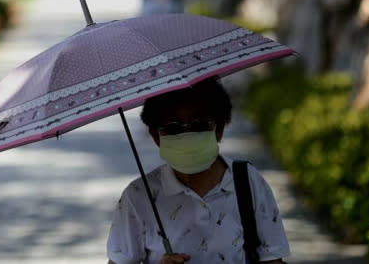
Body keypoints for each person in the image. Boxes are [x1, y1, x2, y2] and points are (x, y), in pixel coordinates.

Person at [106, 78, 290, 264]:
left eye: (199, 124)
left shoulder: (247, 182)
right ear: (156, 135)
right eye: (173, 127)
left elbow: (272, 258)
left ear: (219, 129)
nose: (187, 135)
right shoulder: (138, 197)